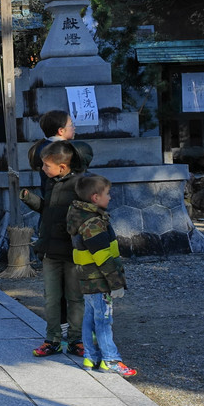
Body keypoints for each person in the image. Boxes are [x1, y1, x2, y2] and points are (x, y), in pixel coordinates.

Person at [20, 140, 86, 358]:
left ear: (62, 167)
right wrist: (30, 200)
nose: (43, 169)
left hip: (72, 251)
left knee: (75, 297)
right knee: (51, 297)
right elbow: (46, 209)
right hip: (49, 251)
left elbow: (86, 216)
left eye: (46, 165)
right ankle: (53, 339)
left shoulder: (80, 185)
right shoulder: (51, 183)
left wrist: (68, 226)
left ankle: (76, 339)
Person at [67, 173, 136, 377]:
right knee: (104, 320)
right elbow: (103, 257)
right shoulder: (93, 223)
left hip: (87, 278)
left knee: (90, 318)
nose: (110, 197)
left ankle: (91, 356)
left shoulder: (79, 216)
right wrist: (115, 283)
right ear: (95, 198)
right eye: (107, 193)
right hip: (100, 280)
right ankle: (111, 359)